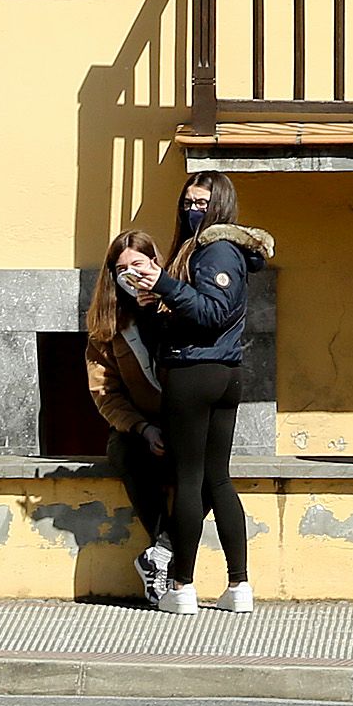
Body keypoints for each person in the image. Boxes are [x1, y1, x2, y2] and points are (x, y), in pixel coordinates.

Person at [127, 170, 276, 614]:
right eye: (187, 203)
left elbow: (211, 314)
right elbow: (199, 312)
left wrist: (165, 284)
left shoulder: (216, 251)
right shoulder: (217, 251)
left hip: (195, 373)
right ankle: (238, 586)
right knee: (217, 479)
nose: (193, 211)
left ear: (221, 206)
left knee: (190, 481)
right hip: (223, 372)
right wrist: (157, 304)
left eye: (201, 204)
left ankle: (182, 586)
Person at [84, 228, 175, 604]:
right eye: (121, 268)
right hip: (139, 426)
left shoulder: (177, 306)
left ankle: (162, 553)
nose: (131, 274)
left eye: (138, 263)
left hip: (185, 421)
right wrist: (143, 428)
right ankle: (164, 551)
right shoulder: (107, 328)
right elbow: (104, 391)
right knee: (123, 451)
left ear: (155, 263)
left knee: (207, 470)